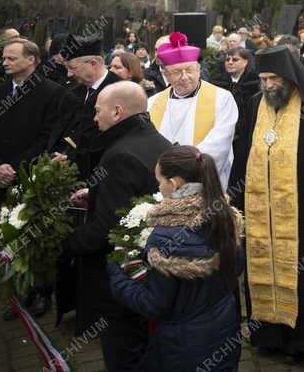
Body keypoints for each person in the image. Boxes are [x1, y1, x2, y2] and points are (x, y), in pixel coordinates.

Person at [231, 45, 304, 360]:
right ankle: (268, 336)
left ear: (290, 77)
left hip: (302, 209)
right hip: (261, 208)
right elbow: (243, 154)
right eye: (263, 79)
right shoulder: (254, 104)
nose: (268, 86)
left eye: (274, 79)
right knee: (261, 267)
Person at [60, 82, 171, 369]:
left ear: (117, 111)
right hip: (153, 267)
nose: (94, 118)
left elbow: (107, 228)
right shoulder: (158, 140)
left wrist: (65, 244)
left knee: (123, 352)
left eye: (98, 111)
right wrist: (96, 194)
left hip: (123, 276)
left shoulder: (119, 154)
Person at [107, 148, 242, 371]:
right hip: (224, 334)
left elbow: (154, 303)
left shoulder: (164, 237)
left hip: (181, 347)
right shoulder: (226, 216)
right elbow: (236, 267)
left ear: (175, 183)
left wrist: (117, 274)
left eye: (160, 181)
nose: (158, 187)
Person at [0, 39, 65, 213]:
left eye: (11, 58)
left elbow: (48, 137)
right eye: (4, 58)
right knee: (0, 228)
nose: (4, 63)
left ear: (31, 59)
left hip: (32, 176)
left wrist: (15, 168)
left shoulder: (54, 93)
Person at [147, 33, 238, 191]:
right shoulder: (152, 103)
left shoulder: (222, 98)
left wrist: (181, 176)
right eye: (177, 72)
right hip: (162, 183)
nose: (184, 77)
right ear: (166, 75)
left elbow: (218, 145)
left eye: (189, 70)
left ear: (198, 69)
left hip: (202, 185)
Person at [59, 35, 123, 181]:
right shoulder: (73, 92)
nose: (69, 74)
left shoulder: (119, 90)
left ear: (93, 63)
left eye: (73, 68)